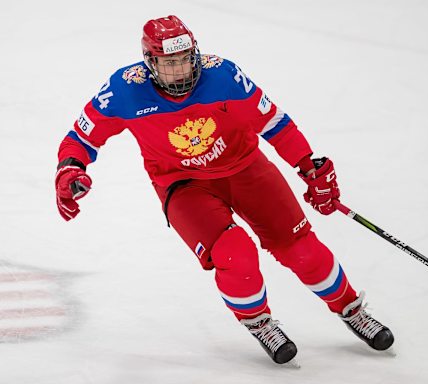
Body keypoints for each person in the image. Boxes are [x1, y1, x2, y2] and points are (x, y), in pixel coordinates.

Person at [55, 15, 394, 364]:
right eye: (170, 63)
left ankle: (351, 310)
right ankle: (259, 321)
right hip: (183, 185)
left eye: (186, 59)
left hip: (247, 169)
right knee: (236, 255)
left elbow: (274, 121)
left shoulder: (224, 76)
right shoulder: (125, 89)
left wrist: (309, 166)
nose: (181, 70)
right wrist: (70, 170)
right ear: (150, 63)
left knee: (304, 251)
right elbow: (80, 137)